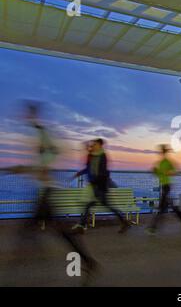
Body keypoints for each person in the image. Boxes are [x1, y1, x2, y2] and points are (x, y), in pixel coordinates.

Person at [2, 102, 98, 282]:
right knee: (56, 231)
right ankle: (87, 261)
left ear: (33, 113)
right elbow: (39, 163)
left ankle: (17, 272)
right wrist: (17, 168)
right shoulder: (39, 134)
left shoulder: (42, 132)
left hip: (46, 190)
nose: (26, 116)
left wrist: (44, 167)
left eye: (29, 113)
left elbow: (51, 151)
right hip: (45, 189)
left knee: (30, 230)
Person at [72, 138, 131, 234]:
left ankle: (124, 222)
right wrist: (79, 173)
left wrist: (96, 182)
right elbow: (88, 168)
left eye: (95, 144)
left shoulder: (102, 156)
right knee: (90, 205)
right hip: (94, 186)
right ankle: (81, 226)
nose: (93, 146)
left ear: (100, 145)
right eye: (93, 144)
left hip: (100, 186)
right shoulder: (92, 156)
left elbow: (104, 172)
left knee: (103, 205)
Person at [145, 144, 181, 235]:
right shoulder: (160, 163)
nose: (160, 153)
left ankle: (153, 228)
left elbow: (177, 171)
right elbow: (160, 175)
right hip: (163, 186)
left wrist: (169, 173)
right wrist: (155, 172)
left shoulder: (168, 162)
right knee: (171, 207)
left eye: (162, 151)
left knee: (161, 208)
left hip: (167, 186)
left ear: (164, 152)